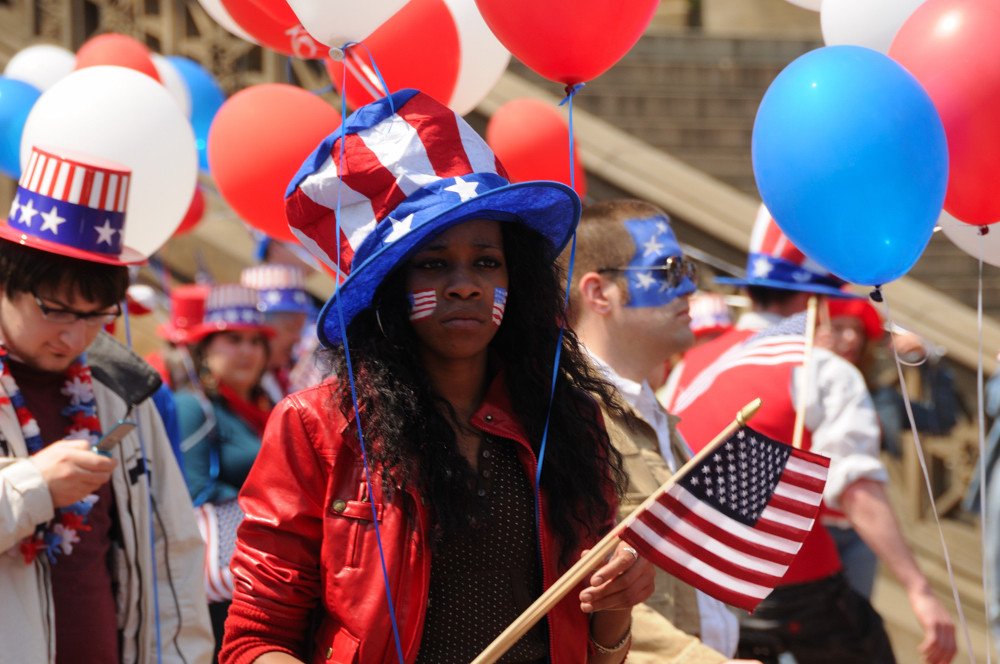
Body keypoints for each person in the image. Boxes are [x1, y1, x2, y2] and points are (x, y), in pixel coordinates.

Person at [220, 89, 655, 664]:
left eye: (486, 261)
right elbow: (255, 639)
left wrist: (617, 607)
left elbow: (598, 653)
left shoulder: (569, 419)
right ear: (389, 289)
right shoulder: (316, 427)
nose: (464, 284)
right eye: (432, 263)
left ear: (515, 280)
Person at [661, 207, 956, 664]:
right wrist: (920, 590)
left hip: (703, 584)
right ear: (816, 296)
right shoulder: (822, 369)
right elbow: (856, 489)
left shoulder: (691, 364)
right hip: (788, 590)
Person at [0, 146, 213, 663]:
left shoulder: (122, 388)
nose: (74, 335)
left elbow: (173, 553)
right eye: (55, 310)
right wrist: (32, 486)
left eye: (97, 315)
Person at [565, 198, 755, 664]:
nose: (689, 286)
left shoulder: (651, 411)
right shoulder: (567, 414)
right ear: (599, 293)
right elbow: (584, 589)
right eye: (668, 270)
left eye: (687, 267)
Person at [174, 283, 275, 656]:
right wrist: (272, 509)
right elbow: (194, 490)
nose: (247, 350)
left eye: (255, 340)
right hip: (224, 582)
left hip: (275, 574)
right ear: (205, 349)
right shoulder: (193, 407)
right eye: (233, 339)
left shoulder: (274, 407)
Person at [240, 263, 316, 403]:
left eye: (300, 329)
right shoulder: (238, 387)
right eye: (291, 327)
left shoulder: (279, 383)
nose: (298, 339)